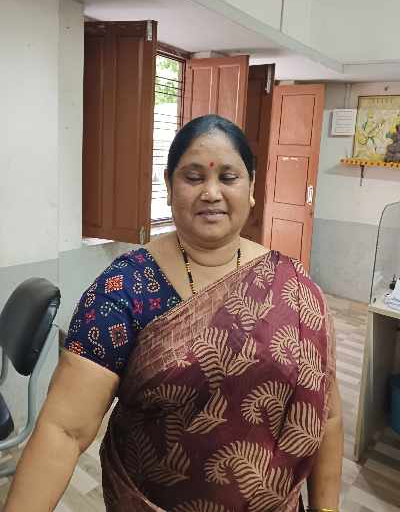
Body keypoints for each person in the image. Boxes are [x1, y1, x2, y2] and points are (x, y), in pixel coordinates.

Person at [4, 115, 343, 512]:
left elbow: (327, 415)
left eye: (228, 177)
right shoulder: (124, 290)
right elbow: (64, 430)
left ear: (251, 187)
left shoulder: (293, 286)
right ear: (168, 186)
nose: (211, 193)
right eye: (193, 177)